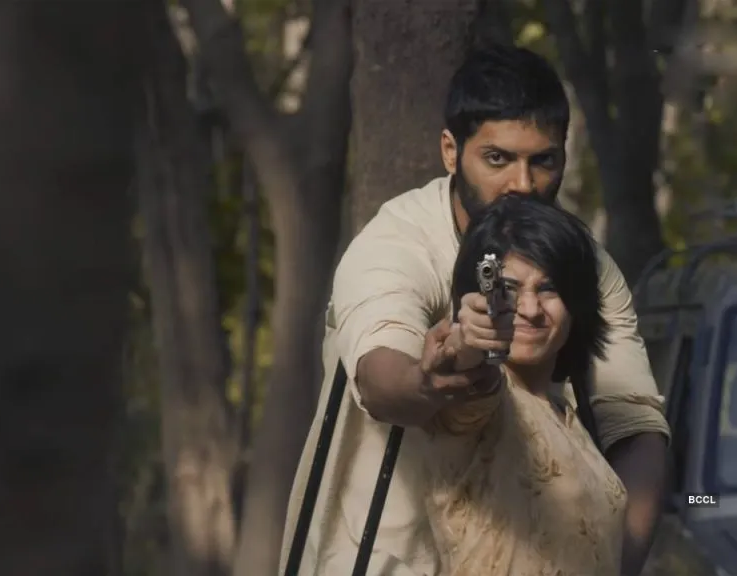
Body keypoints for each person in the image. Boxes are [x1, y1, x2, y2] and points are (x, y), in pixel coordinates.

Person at [279, 41, 669, 575]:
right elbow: (379, 373)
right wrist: (430, 378)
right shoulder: (397, 244)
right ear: (450, 151)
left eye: (543, 161)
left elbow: (636, 424)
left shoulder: (587, 265)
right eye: (498, 158)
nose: (522, 185)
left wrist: (615, 564)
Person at [425, 192, 622, 575]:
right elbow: (464, 378)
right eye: (509, 290)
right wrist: (470, 339)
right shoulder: (484, 397)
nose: (530, 310)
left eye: (548, 288)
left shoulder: (566, 413)